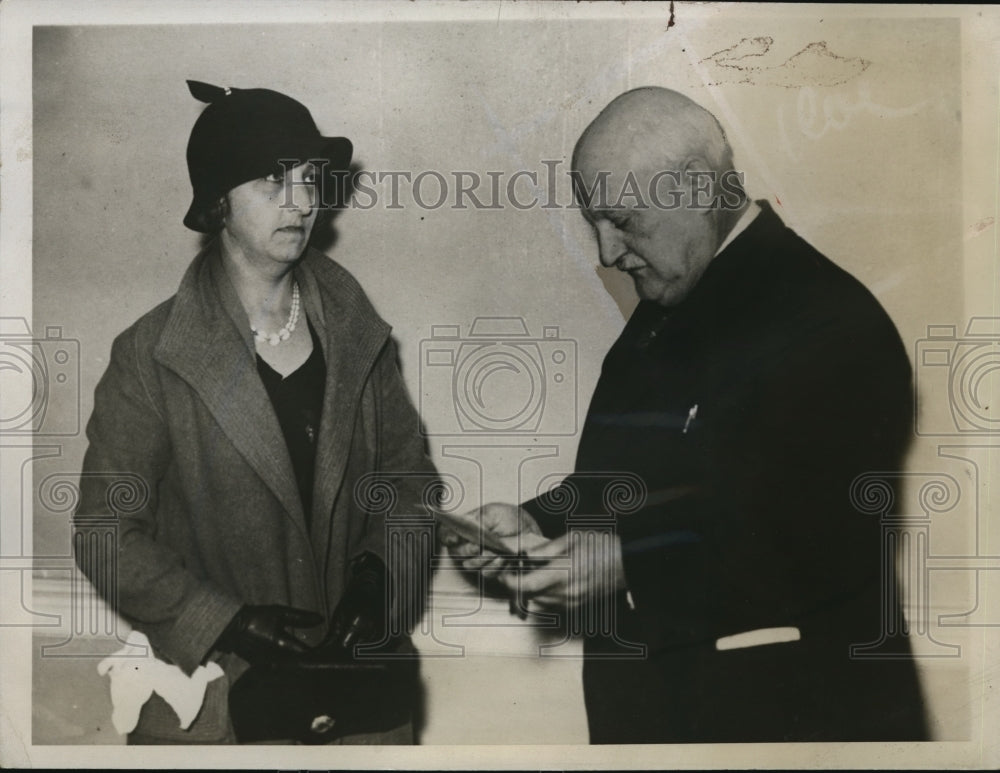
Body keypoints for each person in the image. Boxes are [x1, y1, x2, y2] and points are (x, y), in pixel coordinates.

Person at [448, 87, 929, 743]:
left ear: (697, 187)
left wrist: (626, 564)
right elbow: (638, 478)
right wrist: (536, 523)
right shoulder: (672, 303)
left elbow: (817, 537)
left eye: (621, 219)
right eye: (594, 222)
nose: (606, 251)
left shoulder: (828, 318)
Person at [74, 81, 436, 744]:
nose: (300, 201)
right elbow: (104, 531)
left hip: (359, 701)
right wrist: (224, 619)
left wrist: (380, 577)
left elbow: (409, 484)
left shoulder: (358, 332)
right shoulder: (150, 356)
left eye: (309, 178)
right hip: (219, 710)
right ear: (217, 201)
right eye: (273, 181)